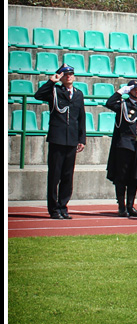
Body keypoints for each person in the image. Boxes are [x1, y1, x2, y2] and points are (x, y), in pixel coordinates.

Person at [34, 65, 86, 219]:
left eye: (71, 74)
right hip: (57, 139)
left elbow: (81, 117)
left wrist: (81, 138)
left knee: (67, 176)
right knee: (54, 176)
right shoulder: (55, 91)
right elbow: (38, 95)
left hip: (71, 140)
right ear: (61, 77)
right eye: (65, 74)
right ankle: (53, 209)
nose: (68, 76)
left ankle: (63, 206)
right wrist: (52, 81)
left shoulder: (78, 94)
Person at [105, 79, 137, 217]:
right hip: (125, 145)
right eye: (134, 89)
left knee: (135, 177)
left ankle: (130, 205)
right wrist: (120, 92)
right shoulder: (123, 105)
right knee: (122, 177)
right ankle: (121, 206)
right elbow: (109, 104)